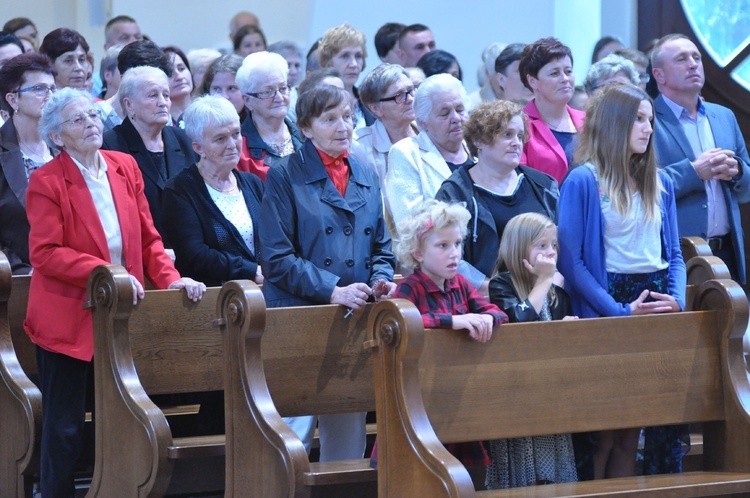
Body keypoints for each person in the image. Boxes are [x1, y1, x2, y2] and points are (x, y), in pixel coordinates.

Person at [27, 87, 205, 498]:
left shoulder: (123, 166)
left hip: (123, 313)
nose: (91, 124)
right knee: (66, 425)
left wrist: (171, 278)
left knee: (123, 415)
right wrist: (107, 272)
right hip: (68, 318)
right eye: (77, 120)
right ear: (57, 137)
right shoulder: (47, 181)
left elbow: (148, 239)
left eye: (92, 115)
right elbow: (46, 253)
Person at [260, 83, 397, 461]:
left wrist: (379, 279)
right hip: (299, 317)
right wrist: (334, 289)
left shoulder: (366, 172)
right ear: (305, 128)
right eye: (330, 119)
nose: (344, 126)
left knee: (347, 437)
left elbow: (382, 247)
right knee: (293, 438)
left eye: (349, 117)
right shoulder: (284, 174)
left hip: (353, 318)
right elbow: (276, 258)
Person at [556, 83, 686, 480]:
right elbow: (572, 261)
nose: (648, 128)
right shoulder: (583, 180)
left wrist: (676, 300)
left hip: (655, 300)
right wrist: (615, 309)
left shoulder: (658, 181)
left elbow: (675, 255)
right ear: (614, 124)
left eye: (650, 119)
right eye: (639, 120)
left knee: (633, 430)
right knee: (603, 431)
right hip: (607, 302)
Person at [373, 199, 507, 473]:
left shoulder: (460, 284)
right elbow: (403, 323)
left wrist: (487, 319)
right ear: (418, 253)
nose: (454, 253)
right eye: (442, 246)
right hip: (416, 399)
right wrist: (453, 321)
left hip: (454, 395)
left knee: (463, 474)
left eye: (457, 244)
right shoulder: (410, 288)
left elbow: (498, 312)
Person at [486, 212, 578, 489]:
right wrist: (543, 281)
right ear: (518, 248)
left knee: (552, 473)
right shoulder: (501, 285)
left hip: (550, 394)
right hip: (515, 395)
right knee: (522, 474)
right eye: (541, 246)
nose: (550, 253)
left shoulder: (558, 296)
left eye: (554, 246)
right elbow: (519, 323)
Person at [650, 34, 750, 285]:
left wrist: (737, 171)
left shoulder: (723, 116)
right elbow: (639, 188)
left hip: (727, 251)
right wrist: (694, 171)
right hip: (675, 254)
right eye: (681, 59)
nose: (693, 64)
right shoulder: (648, 119)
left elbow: (747, 189)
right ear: (659, 75)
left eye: (696, 57)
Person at [436, 100, 558, 292]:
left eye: (519, 135)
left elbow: (563, 246)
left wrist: (549, 284)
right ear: (479, 140)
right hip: (481, 301)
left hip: (544, 293)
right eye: (507, 135)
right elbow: (447, 255)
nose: (516, 143)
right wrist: (496, 291)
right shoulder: (455, 192)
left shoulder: (544, 186)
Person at [163, 95, 263, 286]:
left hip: (264, 293)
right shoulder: (179, 190)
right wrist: (251, 272)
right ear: (198, 147)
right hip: (213, 299)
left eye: (235, 134)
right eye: (220, 139)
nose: (232, 144)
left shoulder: (253, 183)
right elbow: (194, 255)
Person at [102, 66, 196, 247]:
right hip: (140, 251)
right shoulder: (110, 145)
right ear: (129, 104)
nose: (163, 102)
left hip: (188, 250)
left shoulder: (184, 140)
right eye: (153, 96)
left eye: (166, 95)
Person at [384, 73, 470, 241]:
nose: (455, 118)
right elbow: (409, 226)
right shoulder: (406, 153)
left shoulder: (479, 145)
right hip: (438, 256)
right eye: (444, 114)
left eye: (460, 110)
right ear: (423, 123)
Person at [0, 52, 57, 274]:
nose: (50, 96)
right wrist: (22, 270)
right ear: (13, 100)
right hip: (16, 277)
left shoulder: (65, 147)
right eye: (39, 89)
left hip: (72, 273)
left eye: (53, 88)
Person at [519, 37, 585, 183]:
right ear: (533, 81)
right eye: (555, 73)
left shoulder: (588, 121)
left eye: (568, 71)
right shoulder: (520, 125)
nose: (565, 79)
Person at [235, 51, 303, 181]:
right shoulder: (239, 148)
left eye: (283, 88)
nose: (279, 98)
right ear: (247, 100)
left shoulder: (306, 135)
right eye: (268, 92)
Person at [352, 63, 417, 187]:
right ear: (376, 109)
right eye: (399, 95)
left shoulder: (430, 130)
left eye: (411, 90)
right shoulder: (358, 147)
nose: (410, 99)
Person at [96, 39, 174, 132]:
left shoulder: (162, 115)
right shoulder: (97, 116)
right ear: (125, 78)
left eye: (165, 94)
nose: (162, 102)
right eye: (152, 94)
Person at [317, 23, 375, 129]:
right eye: (345, 56)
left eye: (358, 56)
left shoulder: (370, 103)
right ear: (328, 61)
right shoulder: (315, 102)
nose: (353, 64)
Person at [199, 54, 247, 122]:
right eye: (217, 89)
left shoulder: (262, 126)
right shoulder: (192, 121)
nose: (224, 96)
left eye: (231, 88)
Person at [267, 41, 304, 115]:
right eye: (288, 65)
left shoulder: (303, 96)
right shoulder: (264, 96)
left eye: (297, 65)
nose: (294, 72)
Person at [466, 42, 506, 111]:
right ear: (488, 73)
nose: (505, 80)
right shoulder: (471, 105)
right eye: (500, 75)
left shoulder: (523, 99)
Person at [163, 46, 193, 126]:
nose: (179, 77)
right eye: (170, 73)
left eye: (181, 69)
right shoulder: (159, 123)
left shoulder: (208, 111)